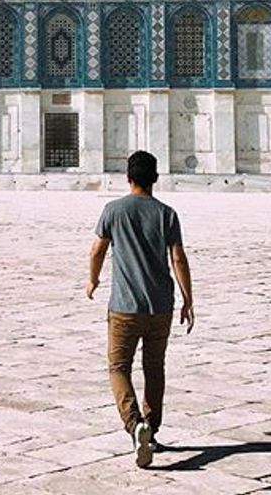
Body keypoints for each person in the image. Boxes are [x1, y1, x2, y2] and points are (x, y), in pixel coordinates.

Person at [87, 150, 194, 468]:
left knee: (118, 367)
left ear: (128, 178)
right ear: (155, 179)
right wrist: (189, 299)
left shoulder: (113, 209)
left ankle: (135, 426)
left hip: (124, 308)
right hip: (161, 306)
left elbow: (97, 250)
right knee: (154, 368)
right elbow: (178, 258)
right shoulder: (167, 213)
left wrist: (92, 280)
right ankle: (152, 427)